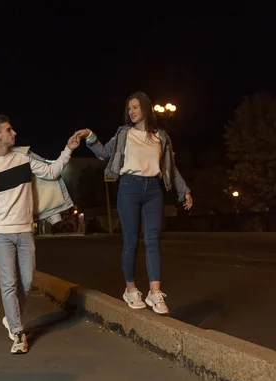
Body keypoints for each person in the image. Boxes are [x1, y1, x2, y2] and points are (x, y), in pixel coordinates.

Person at [0, 114, 79, 354]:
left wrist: (68, 149)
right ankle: (18, 333)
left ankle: (10, 317)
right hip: (0, 234)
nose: (14, 133)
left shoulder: (23, 157)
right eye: (9, 130)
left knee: (26, 283)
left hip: (25, 231)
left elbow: (51, 172)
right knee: (8, 284)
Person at [75, 92, 193, 315]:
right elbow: (103, 154)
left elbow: (171, 167)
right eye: (129, 108)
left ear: (146, 108)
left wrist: (184, 190)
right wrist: (89, 135)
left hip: (154, 190)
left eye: (136, 107)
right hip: (129, 187)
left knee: (153, 240)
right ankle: (130, 289)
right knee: (131, 242)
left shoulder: (161, 136)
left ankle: (155, 292)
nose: (131, 112)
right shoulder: (123, 134)